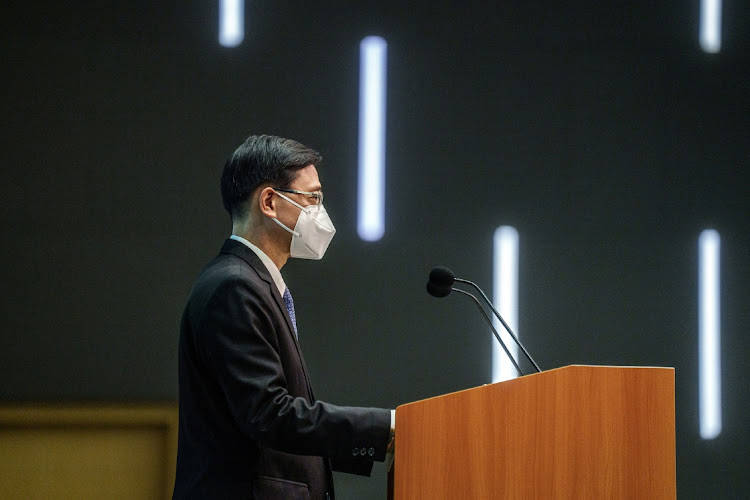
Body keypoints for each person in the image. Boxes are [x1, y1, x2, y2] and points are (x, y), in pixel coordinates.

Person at [173, 135, 394, 499]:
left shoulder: (252, 283)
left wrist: (376, 441)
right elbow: (269, 415)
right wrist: (385, 428)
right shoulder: (235, 287)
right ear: (271, 202)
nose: (320, 212)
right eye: (313, 198)